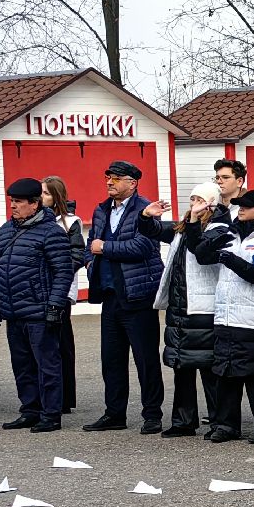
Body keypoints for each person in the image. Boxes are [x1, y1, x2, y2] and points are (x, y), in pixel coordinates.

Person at [84, 160, 164, 434]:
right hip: (110, 295)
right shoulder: (101, 209)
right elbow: (91, 244)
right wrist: (89, 261)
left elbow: (143, 246)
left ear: (132, 183)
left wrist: (105, 248)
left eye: (116, 178)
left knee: (145, 358)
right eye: (108, 177)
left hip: (138, 295)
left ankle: (152, 414)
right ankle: (114, 414)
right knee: (112, 360)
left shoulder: (146, 210)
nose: (109, 182)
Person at [0, 179, 73, 432]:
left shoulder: (52, 232)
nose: (13, 206)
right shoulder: (5, 231)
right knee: (22, 365)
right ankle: (30, 411)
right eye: (11, 201)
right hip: (14, 310)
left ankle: (51, 415)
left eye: (18, 202)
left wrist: (55, 305)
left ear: (34, 204)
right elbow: (2, 269)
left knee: (47, 365)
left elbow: (63, 272)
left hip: (40, 310)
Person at [197, 190, 254, 443]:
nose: (240, 209)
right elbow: (201, 256)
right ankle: (226, 424)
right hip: (225, 314)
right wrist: (212, 240)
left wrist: (230, 259)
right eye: (238, 206)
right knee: (224, 370)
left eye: (246, 206)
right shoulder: (230, 234)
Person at [144, 183, 226, 437]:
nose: (194, 205)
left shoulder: (220, 228)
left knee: (210, 367)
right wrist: (146, 216)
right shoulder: (182, 227)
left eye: (200, 200)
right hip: (180, 307)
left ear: (212, 203)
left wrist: (192, 222)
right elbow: (153, 230)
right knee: (181, 365)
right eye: (192, 200)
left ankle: (220, 422)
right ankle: (183, 421)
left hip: (204, 307)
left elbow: (199, 249)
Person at [40, 176, 88, 414]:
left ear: (56, 196)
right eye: (40, 193)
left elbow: (77, 255)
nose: (42, 197)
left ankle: (65, 397)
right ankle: (46, 396)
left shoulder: (70, 222)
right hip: (39, 290)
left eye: (46, 193)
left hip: (61, 290)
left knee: (62, 344)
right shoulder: (35, 221)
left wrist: (57, 274)